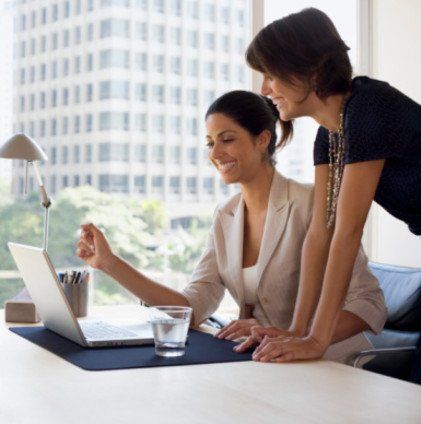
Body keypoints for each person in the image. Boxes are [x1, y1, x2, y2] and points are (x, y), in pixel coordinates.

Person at [241, 7, 421, 399]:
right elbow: (321, 232)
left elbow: (348, 232)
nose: (265, 89)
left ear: (309, 71)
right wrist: (297, 330)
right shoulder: (329, 135)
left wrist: (318, 339)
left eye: (271, 74)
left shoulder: (369, 108)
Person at [76, 90, 387, 365]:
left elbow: (369, 303)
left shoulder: (310, 204)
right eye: (210, 143)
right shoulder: (225, 216)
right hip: (266, 363)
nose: (214, 153)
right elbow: (192, 307)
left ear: (262, 139)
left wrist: (296, 335)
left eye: (227, 140)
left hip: (330, 365)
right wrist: (109, 263)